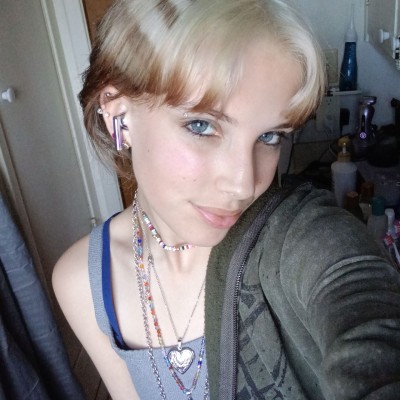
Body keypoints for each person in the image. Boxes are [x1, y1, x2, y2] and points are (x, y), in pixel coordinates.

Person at [52, 0, 400, 399]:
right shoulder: (82, 282)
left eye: (270, 136)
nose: (243, 184)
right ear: (119, 117)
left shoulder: (288, 237)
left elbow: (359, 299)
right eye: (202, 125)